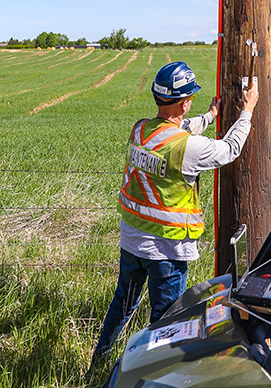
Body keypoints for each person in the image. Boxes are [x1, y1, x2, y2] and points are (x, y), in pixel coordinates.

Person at [91, 61, 259, 363]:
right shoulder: (189, 149)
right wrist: (247, 111)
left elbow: (175, 130)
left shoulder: (142, 129)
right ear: (185, 102)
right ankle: (153, 378)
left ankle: (98, 362)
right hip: (167, 249)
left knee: (122, 304)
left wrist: (209, 117)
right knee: (165, 322)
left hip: (131, 240)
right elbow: (229, 150)